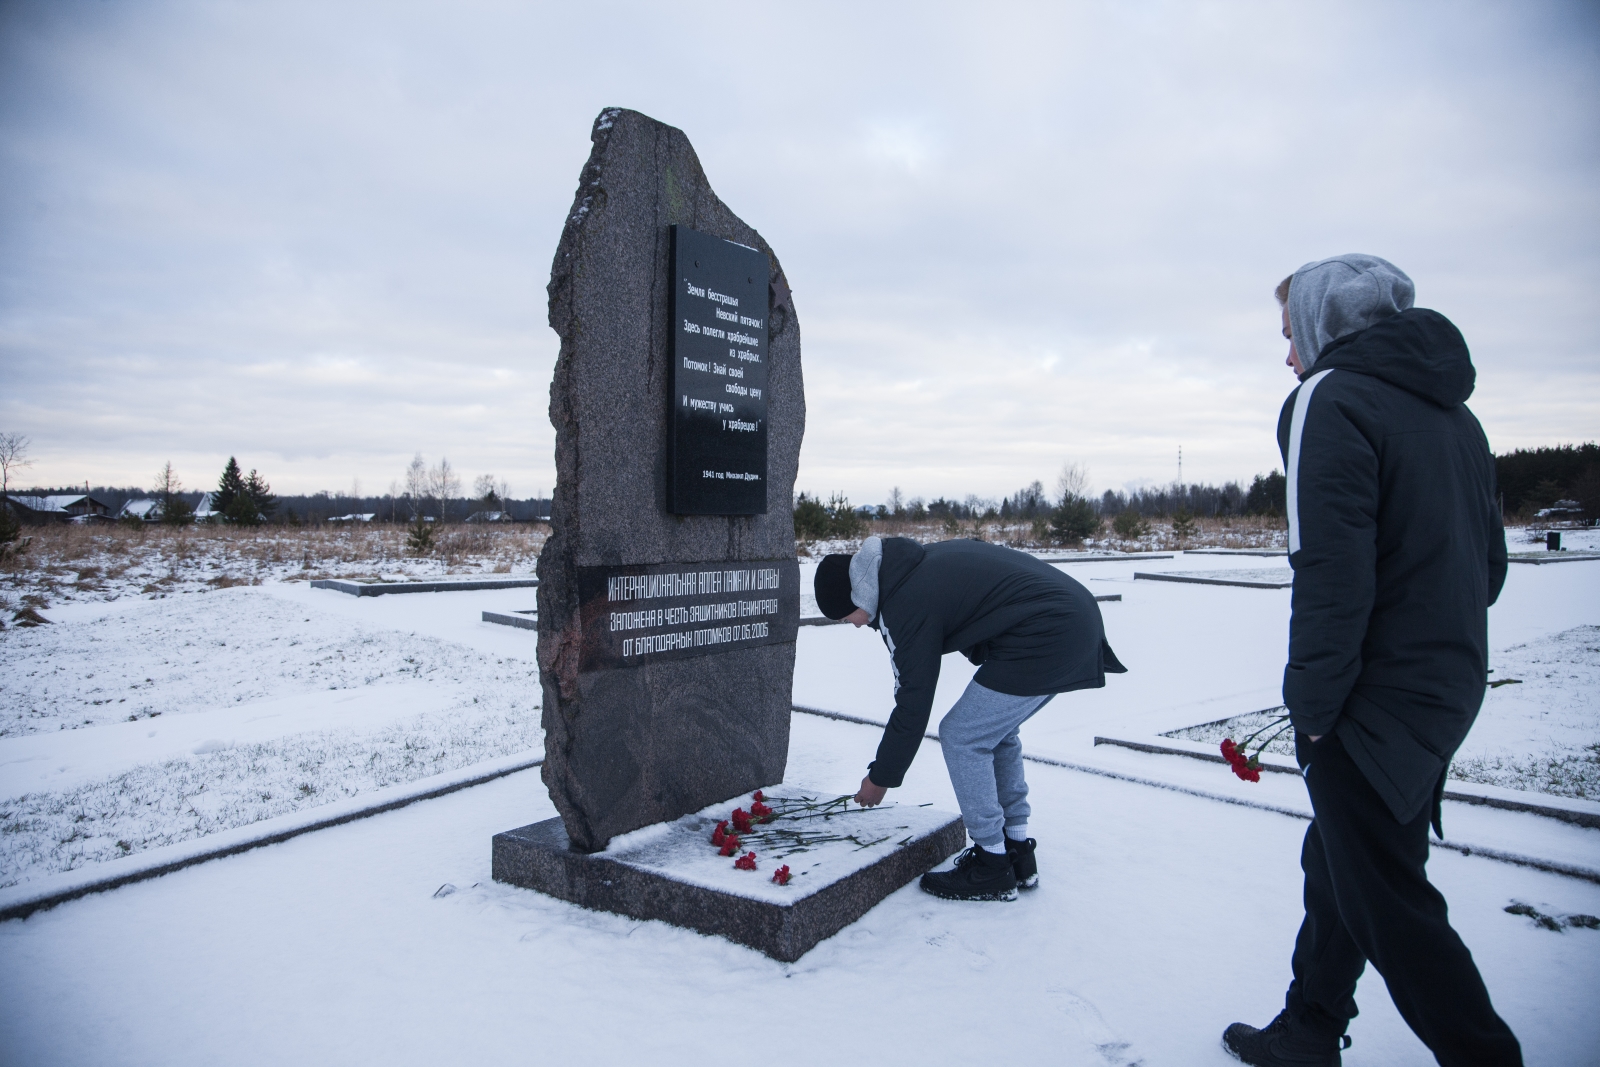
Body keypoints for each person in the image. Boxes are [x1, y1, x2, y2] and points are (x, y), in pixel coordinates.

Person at [1222, 255, 1520, 1067]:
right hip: (1448, 683)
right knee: (1342, 856)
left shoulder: (1328, 397)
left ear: (1322, 324)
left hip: (1372, 696)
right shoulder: (1457, 414)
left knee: (1390, 901)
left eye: (1290, 335)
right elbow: (1488, 568)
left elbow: (1329, 568)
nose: (1287, 356)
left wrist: (1315, 710)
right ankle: (1312, 1024)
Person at [813, 534, 1125, 901]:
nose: (852, 624)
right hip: (1069, 620)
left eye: (845, 616)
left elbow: (913, 701)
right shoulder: (908, 570)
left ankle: (991, 865)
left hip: (1050, 632)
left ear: (856, 595)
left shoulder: (904, 601)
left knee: (962, 735)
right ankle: (1016, 850)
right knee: (993, 732)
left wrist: (880, 778)